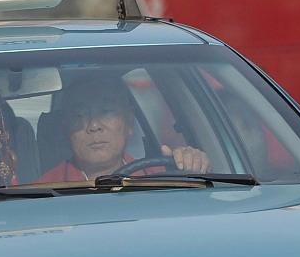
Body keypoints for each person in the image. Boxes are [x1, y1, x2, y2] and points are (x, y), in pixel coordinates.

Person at [37, 76, 210, 183]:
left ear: (129, 123)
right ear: (66, 129)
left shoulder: (161, 178)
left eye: (106, 112)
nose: (94, 126)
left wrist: (193, 167)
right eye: (80, 115)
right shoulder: (44, 191)